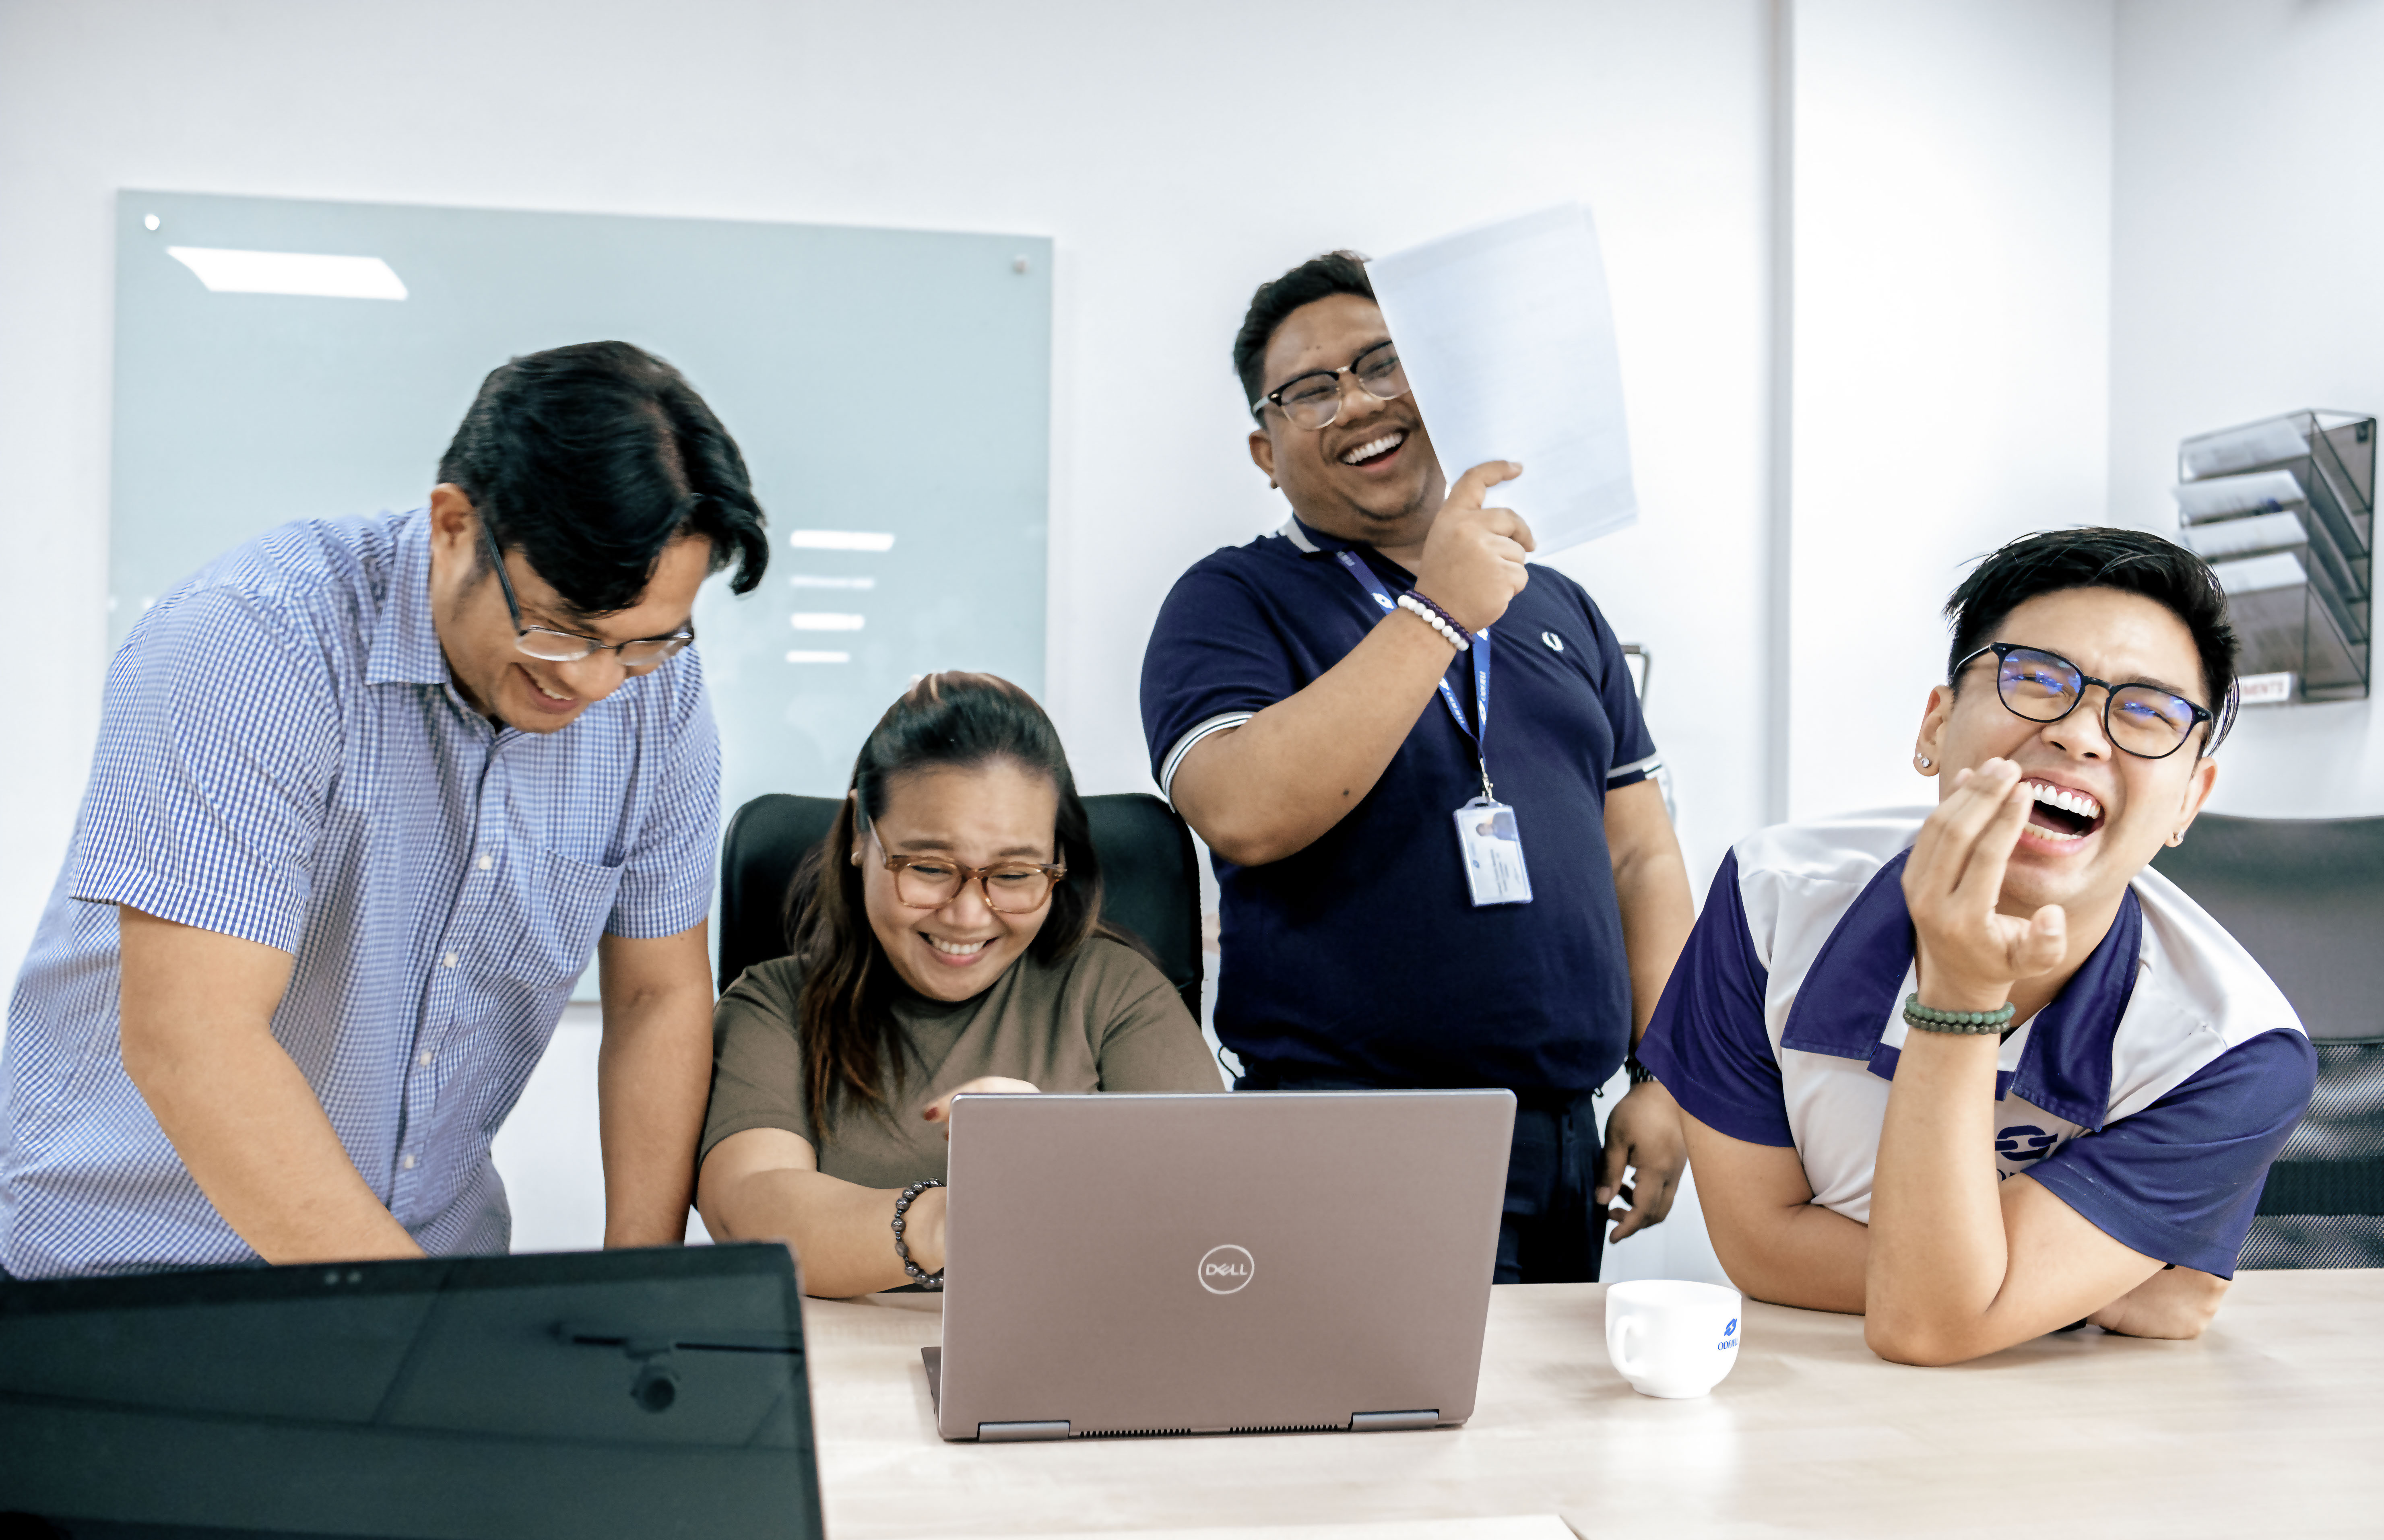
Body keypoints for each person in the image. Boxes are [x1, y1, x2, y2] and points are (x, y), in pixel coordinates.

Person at [0, 340, 763, 1278]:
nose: (599, 682)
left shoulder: (660, 699)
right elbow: (193, 1038)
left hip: (419, 1273)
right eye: (560, 629)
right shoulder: (252, 642)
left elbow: (658, 996)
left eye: (643, 643)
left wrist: (635, 1302)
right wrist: (416, 1327)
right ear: (454, 525)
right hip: (138, 1279)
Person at [1140, 252, 1697, 1283]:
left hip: (1561, 1140)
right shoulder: (1229, 602)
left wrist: (1665, 1072)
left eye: (1384, 364)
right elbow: (1244, 810)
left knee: (1539, 1444)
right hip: (1347, 1135)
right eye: (1312, 388)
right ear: (1266, 451)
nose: (1355, 401)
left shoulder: (1558, 605)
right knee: (1369, 1444)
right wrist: (1435, 613)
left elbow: (1643, 860)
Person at [1643, 528, 2316, 1364]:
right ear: (1936, 723)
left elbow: (1924, 1324)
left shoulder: (2233, 1049)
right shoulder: (1768, 902)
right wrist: (2069, 1292)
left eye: (2146, 710)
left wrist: (1976, 1298)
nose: (2080, 733)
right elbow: (1761, 1247)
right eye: (2035, 679)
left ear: (2190, 798)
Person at [698, 672, 1221, 1297]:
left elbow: (1212, 1219)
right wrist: (959, 1217)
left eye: (1017, 873)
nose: (969, 916)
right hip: (842, 1377)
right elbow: (751, 1211)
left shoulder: (1118, 994)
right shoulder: (774, 1006)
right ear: (862, 836)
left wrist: (1063, 1159)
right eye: (928, 867)